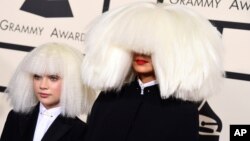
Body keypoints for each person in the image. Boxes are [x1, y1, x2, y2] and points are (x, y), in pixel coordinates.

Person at [81, 2, 224, 141]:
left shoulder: (183, 110)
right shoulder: (109, 97)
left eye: (152, 49)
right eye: (136, 44)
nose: (141, 53)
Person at [1, 42, 96, 141]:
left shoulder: (80, 131)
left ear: (71, 83)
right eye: (37, 77)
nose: (42, 85)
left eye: (53, 78)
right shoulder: (15, 117)